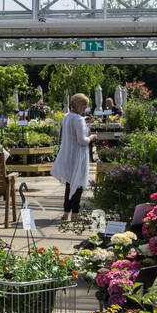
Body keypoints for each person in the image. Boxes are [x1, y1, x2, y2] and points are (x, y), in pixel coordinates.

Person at [51, 92, 94, 222]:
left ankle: (66, 212)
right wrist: (91, 137)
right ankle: (75, 213)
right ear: (79, 105)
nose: (85, 108)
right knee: (79, 184)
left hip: (68, 155)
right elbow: (82, 140)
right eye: (84, 105)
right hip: (78, 156)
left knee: (70, 184)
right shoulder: (79, 119)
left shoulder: (67, 117)